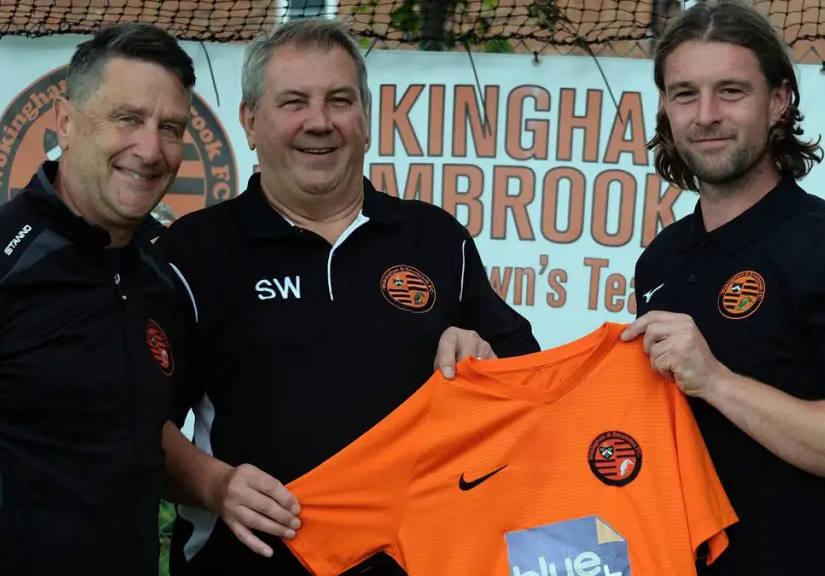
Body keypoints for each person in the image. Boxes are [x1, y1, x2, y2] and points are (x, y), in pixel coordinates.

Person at [156, 17, 540, 576]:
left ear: (365, 119)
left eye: (339, 100)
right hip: (245, 564)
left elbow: (530, 384)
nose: (320, 122)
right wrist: (215, 486)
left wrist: (486, 359)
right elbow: (137, 425)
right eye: (294, 102)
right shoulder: (192, 252)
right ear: (250, 121)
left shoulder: (436, 240)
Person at [622, 1, 825, 575]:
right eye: (684, 93)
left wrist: (714, 380)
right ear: (665, 106)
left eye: (731, 91)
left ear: (779, 101)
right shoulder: (661, 259)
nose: (705, 114)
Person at [0, 22, 196, 575]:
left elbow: (143, 440)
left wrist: (221, 483)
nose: (151, 148)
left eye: (172, 128)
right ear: (65, 122)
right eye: (128, 119)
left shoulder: (158, 278)